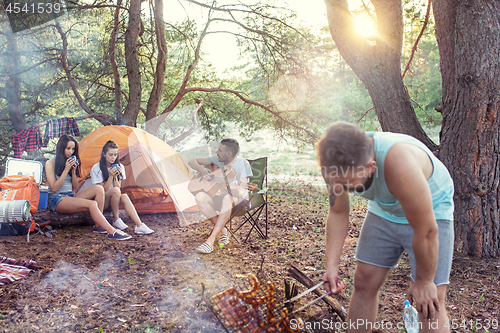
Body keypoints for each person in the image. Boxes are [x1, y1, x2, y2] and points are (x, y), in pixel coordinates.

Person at [316, 122, 454, 333]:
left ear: (371, 167)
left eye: (348, 182)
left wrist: (425, 281)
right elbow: (338, 212)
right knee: (364, 281)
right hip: (385, 209)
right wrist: (331, 266)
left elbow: (426, 231)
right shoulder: (335, 163)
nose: (340, 188)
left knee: (429, 302)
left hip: (431, 212)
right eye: (336, 181)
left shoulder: (399, 164)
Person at [45, 135, 132, 240]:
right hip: (56, 199)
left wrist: (73, 171)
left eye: (73, 149)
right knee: (92, 203)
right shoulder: (50, 163)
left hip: (70, 196)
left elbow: (75, 186)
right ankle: (112, 231)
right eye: (68, 148)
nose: (71, 152)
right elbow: (54, 188)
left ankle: (98, 226)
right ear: (61, 148)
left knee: (99, 189)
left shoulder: (70, 162)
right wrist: (66, 170)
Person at [188, 139, 253, 254]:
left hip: (239, 200)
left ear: (229, 154)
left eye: (220, 150)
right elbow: (192, 161)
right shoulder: (217, 160)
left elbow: (241, 192)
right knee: (200, 197)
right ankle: (224, 230)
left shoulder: (243, 164)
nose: (217, 152)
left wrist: (234, 189)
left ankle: (210, 241)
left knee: (228, 197)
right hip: (222, 198)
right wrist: (202, 169)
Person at [90, 140, 154, 235]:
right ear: (104, 154)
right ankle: (116, 219)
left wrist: (116, 175)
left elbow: (118, 187)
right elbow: (101, 191)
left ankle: (139, 225)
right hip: (102, 202)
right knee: (115, 191)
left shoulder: (120, 167)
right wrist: (111, 176)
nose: (113, 157)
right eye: (110, 155)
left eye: (115, 155)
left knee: (123, 196)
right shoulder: (96, 168)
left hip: (114, 200)